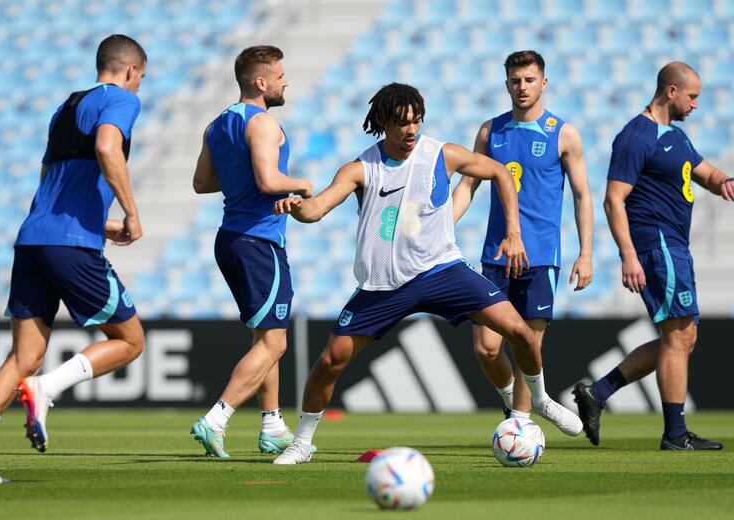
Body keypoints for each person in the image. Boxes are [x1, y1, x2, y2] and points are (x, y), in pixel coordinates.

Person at [271, 83, 582, 465]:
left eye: (417, 121)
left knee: (519, 331)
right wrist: (298, 208)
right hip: (384, 285)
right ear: (383, 122)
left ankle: (540, 399)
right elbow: (318, 207)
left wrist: (513, 232)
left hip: (442, 270)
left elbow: (500, 173)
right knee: (330, 361)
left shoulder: (443, 153)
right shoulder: (361, 168)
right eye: (402, 123)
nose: (411, 130)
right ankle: (302, 443)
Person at [0, 35, 149, 484]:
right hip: (71, 243)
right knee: (132, 340)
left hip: (34, 238)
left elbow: (50, 183)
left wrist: (103, 224)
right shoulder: (120, 100)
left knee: (24, 355)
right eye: (141, 80)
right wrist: (131, 214)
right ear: (132, 71)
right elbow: (107, 147)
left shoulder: (64, 108)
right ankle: (48, 389)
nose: (139, 89)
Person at [573, 62, 729, 450]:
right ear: (670, 92)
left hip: (674, 244)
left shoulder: (675, 137)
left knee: (678, 337)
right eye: (692, 96)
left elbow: (704, 173)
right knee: (681, 335)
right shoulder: (636, 136)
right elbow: (613, 200)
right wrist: (629, 256)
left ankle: (599, 393)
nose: (696, 105)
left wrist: (725, 181)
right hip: (657, 244)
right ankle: (675, 435)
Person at [452, 50, 593, 424]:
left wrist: (586, 253)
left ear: (543, 82)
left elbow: (582, 195)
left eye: (530, 79)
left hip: (540, 256)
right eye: (515, 80)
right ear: (506, 84)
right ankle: (522, 401)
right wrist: (441, 225)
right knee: (485, 347)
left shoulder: (563, 134)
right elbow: (467, 185)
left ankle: (520, 425)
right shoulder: (490, 130)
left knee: (528, 347)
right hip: (496, 255)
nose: (522, 87)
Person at [190, 45, 313, 458]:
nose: (285, 82)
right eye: (280, 75)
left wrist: (243, 178)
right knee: (274, 343)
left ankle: (273, 425)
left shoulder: (217, 124)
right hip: (259, 241)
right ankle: (216, 419)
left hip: (230, 238)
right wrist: (302, 185)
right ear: (261, 83)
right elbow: (267, 181)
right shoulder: (261, 123)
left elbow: (202, 183)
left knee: (266, 337)